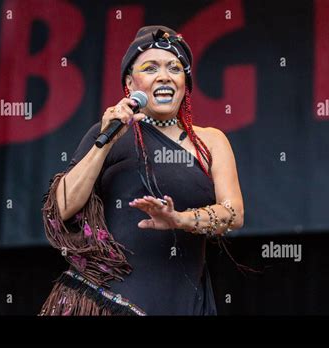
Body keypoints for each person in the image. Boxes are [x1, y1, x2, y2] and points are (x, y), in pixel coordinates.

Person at [39, 25, 245, 316]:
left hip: (182, 302)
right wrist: (105, 141)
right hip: (108, 302)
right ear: (130, 83)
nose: (164, 75)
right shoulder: (109, 133)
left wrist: (178, 218)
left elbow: (234, 213)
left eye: (175, 67)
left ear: (185, 82)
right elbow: (61, 208)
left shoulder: (211, 141)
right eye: (150, 68)